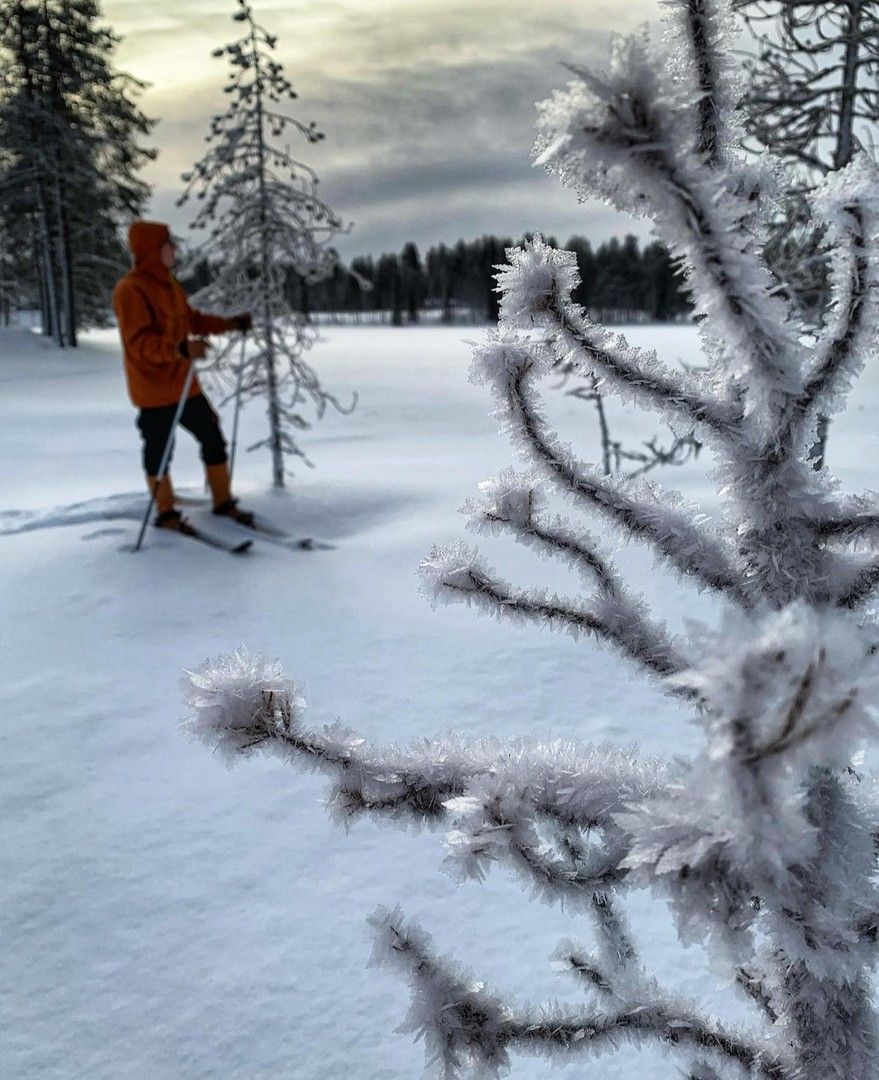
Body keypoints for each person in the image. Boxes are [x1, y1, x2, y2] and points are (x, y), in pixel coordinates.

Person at [113, 220, 254, 531]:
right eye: (168, 245)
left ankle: (223, 501)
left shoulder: (170, 286)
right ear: (153, 251)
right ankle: (166, 513)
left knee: (212, 436)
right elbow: (140, 344)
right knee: (160, 451)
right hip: (153, 391)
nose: (174, 250)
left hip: (185, 386)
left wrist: (230, 324)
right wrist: (179, 348)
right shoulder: (131, 290)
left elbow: (194, 321)